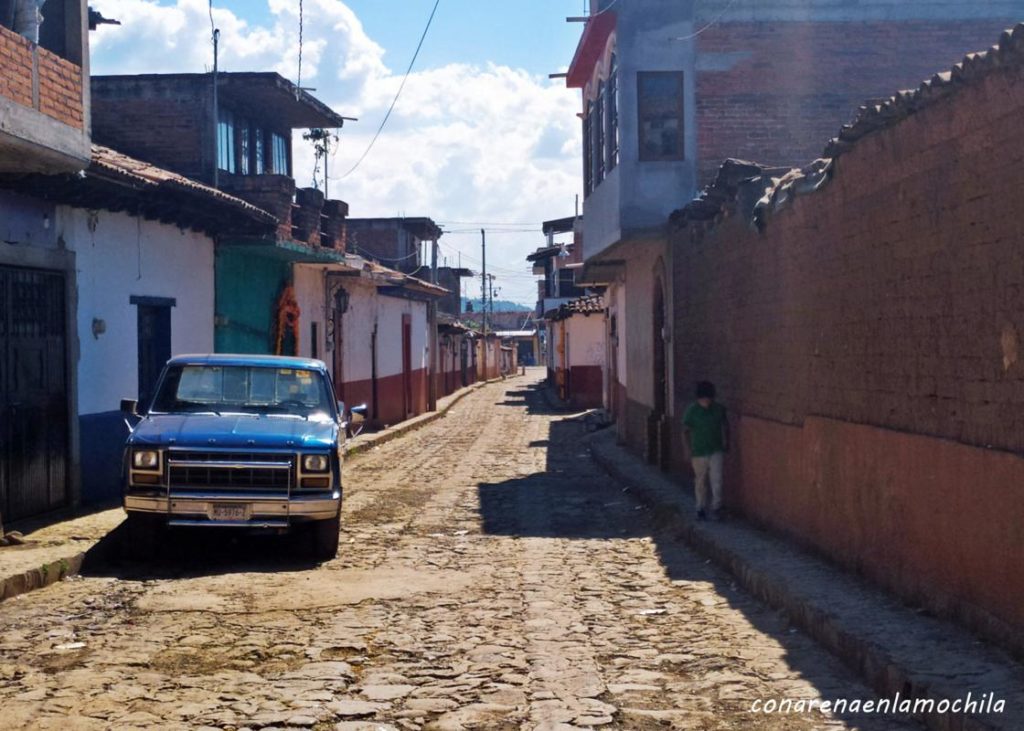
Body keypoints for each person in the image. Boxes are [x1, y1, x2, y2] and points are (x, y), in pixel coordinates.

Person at [682, 380, 729, 521]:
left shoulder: (719, 409)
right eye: (703, 399)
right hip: (698, 451)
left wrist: (727, 441)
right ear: (699, 398)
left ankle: (716, 506)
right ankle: (700, 507)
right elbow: (685, 430)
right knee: (700, 480)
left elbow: (726, 426)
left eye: (708, 398)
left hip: (716, 449)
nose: (706, 401)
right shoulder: (692, 410)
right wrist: (687, 449)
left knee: (717, 479)